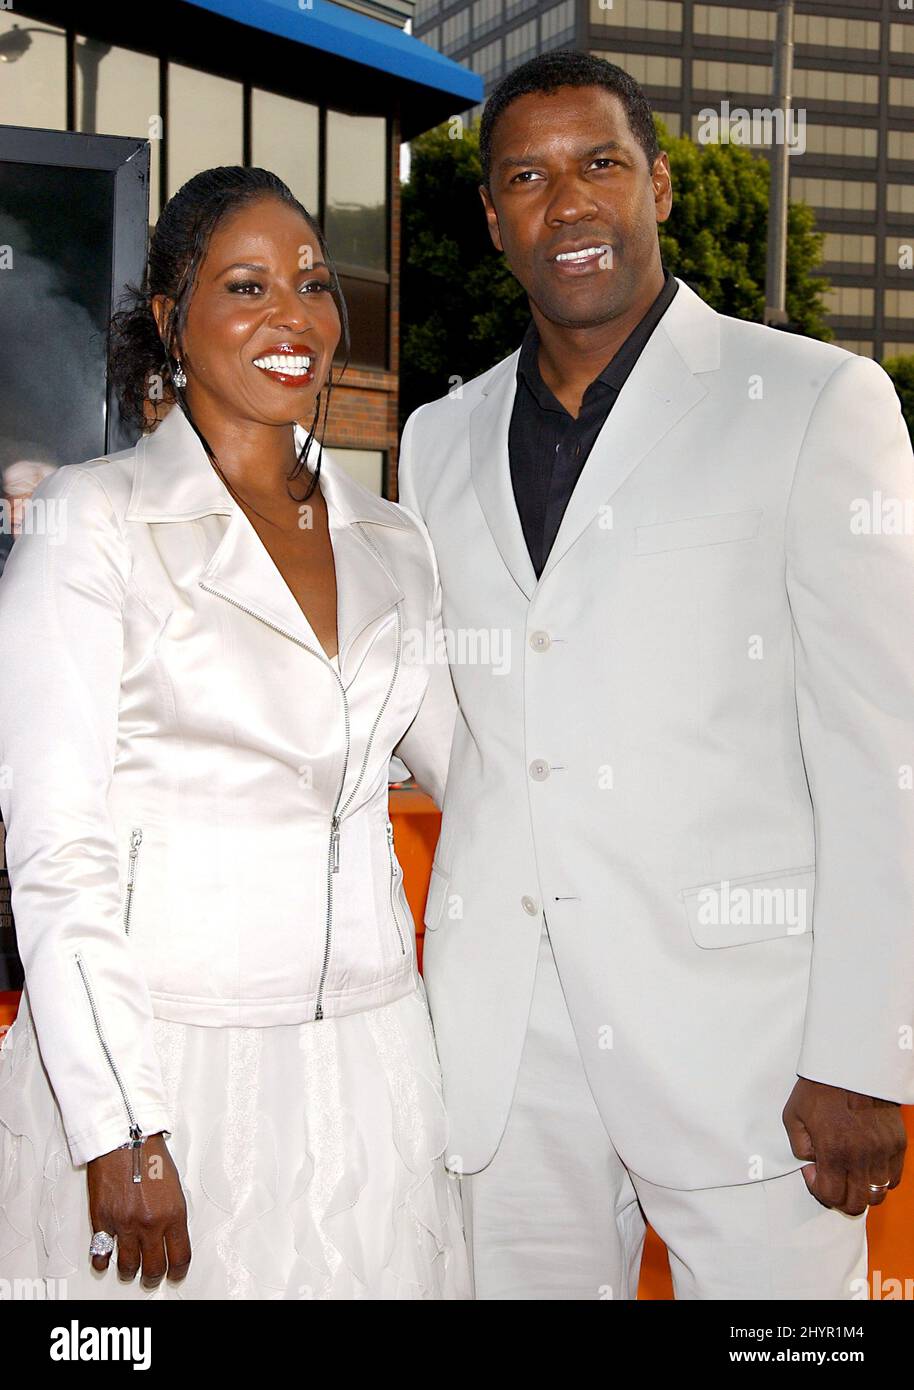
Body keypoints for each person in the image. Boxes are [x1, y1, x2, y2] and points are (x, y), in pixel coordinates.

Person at [397, 52, 914, 1300]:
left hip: (749, 1052)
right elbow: (466, 718)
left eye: (599, 163)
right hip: (508, 1048)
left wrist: (864, 1049)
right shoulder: (434, 437)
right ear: (492, 219)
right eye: (526, 177)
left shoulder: (811, 400)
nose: (567, 201)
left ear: (659, 186)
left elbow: (879, 748)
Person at [0, 165, 470, 1300]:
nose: (292, 316)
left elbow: (486, 778)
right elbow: (56, 843)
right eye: (246, 286)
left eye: (312, 283)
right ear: (172, 317)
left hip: (372, 1067)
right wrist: (120, 1123)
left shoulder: (394, 541)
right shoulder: (93, 519)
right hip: (165, 1064)